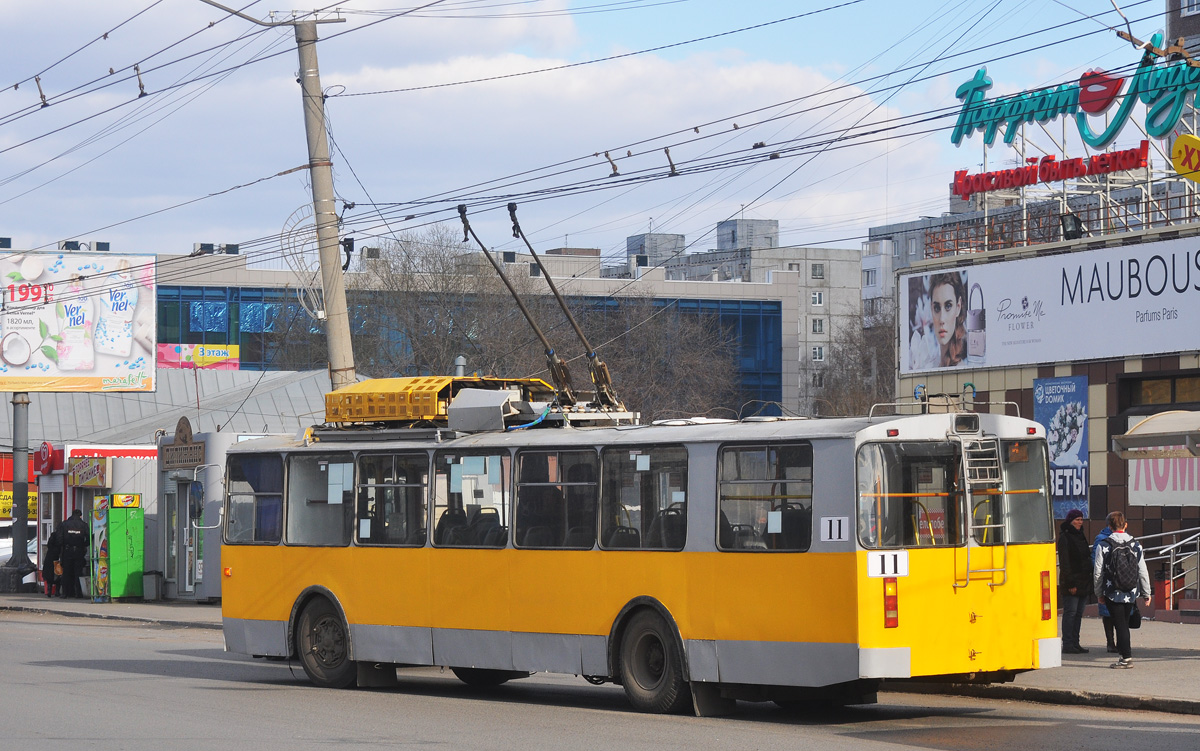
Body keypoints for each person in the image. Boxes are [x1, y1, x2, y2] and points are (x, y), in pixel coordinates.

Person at [1092, 511, 1151, 669]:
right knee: (1123, 623)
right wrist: (1146, 593)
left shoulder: (1104, 545)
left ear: (1110, 526)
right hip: (1130, 591)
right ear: (1125, 525)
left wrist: (1099, 594)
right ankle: (1125, 655)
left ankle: (1126, 658)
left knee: (1120, 625)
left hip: (1113, 591)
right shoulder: (1136, 545)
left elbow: (1098, 572)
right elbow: (1142, 570)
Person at [1057, 509, 1092, 653]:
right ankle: (1068, 644)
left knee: (1078, 614)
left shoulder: (1080, 535)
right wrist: (1070, 583)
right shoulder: (1065, 537)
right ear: (1070, 520)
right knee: (1070, 613)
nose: (1080, 522)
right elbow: (1065, 563)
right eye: (1077, 519)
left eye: (1081, 519)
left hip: (1083, 581)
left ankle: (1075, 643)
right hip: (1071, 582)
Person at [928, 272, 968, 367]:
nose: (942, 319)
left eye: (948, 306)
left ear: (958, 307)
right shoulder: (929, 365)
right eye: (937, 308)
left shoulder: (962, 370)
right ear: (931, 308)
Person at [1092, 524, 1117, 652]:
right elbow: (1095, 560)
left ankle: (1119, 643)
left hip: (1120, 582)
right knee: (1108, 615)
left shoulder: (1124, 537)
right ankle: (1111, 643)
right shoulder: (1101, 539)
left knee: (1119, 615)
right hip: (1107, 582)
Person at [60, 508, 90, 600]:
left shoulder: (64, 524)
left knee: (66, 572)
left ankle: (66, 593)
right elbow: (88, 538)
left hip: (67, 550)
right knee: (78, 572)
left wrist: (62, 548)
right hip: (79, 551)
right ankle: (78, 593)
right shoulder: (84, 525)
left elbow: (59, 538)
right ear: (80, 516)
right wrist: (83, 545)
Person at [41, 524, 63, 598]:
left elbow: (49, 544)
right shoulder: (63, 536)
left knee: (49, 574)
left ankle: (49, 591)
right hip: (58, 557)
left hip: (50, 557)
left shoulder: (53, 535)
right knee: (59, 573)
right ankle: (57, 591)